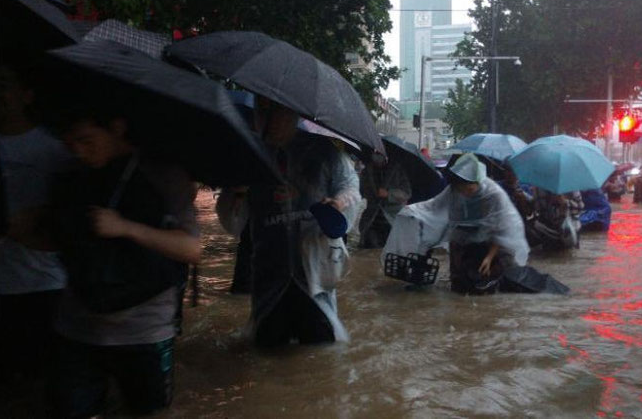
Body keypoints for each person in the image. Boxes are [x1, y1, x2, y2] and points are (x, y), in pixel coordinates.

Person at [46, 107, 201, 418]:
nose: (79, 150)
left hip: (143, 332)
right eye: (70, 142)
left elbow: (191, 248)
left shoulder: (163, 174)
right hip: (77, 327)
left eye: (87, 140)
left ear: (116, 128)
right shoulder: (68, 173)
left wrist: (127, 228)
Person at [217, 97, 362, 347]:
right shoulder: (249, 155)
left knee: (320, 354)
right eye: (262, 111)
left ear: (294, 114)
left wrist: (338, 203)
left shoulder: (324, 152)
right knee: (268, 352)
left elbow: (351, 190)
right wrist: (236, 192)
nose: (268, 119)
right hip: (269, 274)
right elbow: (232, 223)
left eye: (277, 111)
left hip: (315, 276)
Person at [0, 65, 77, 385]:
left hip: (44, 284)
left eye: (3, 83)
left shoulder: (56, 151)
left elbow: (73, 219)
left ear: (26, 95)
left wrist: (25, 224)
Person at [383, 153, 530, 295]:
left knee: (494, 283)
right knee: (459, 285)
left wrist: (489, 257)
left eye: (469, 188)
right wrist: (410, 211)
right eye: (461, 188)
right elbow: (433, 206)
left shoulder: (493, 195)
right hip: (463, 237)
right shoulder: (454, 189)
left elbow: (501, 230)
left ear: (477, 182)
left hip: (493, 242)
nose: (465, 193)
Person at [358, 156, 412, 249]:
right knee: (369, 246)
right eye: (375, 153)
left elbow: (406, 193)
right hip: (372, 217)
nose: (377, 156)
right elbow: (361, 192)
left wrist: (389, 194)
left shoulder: (397, 170)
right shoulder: (367, 171)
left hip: (391, 217)